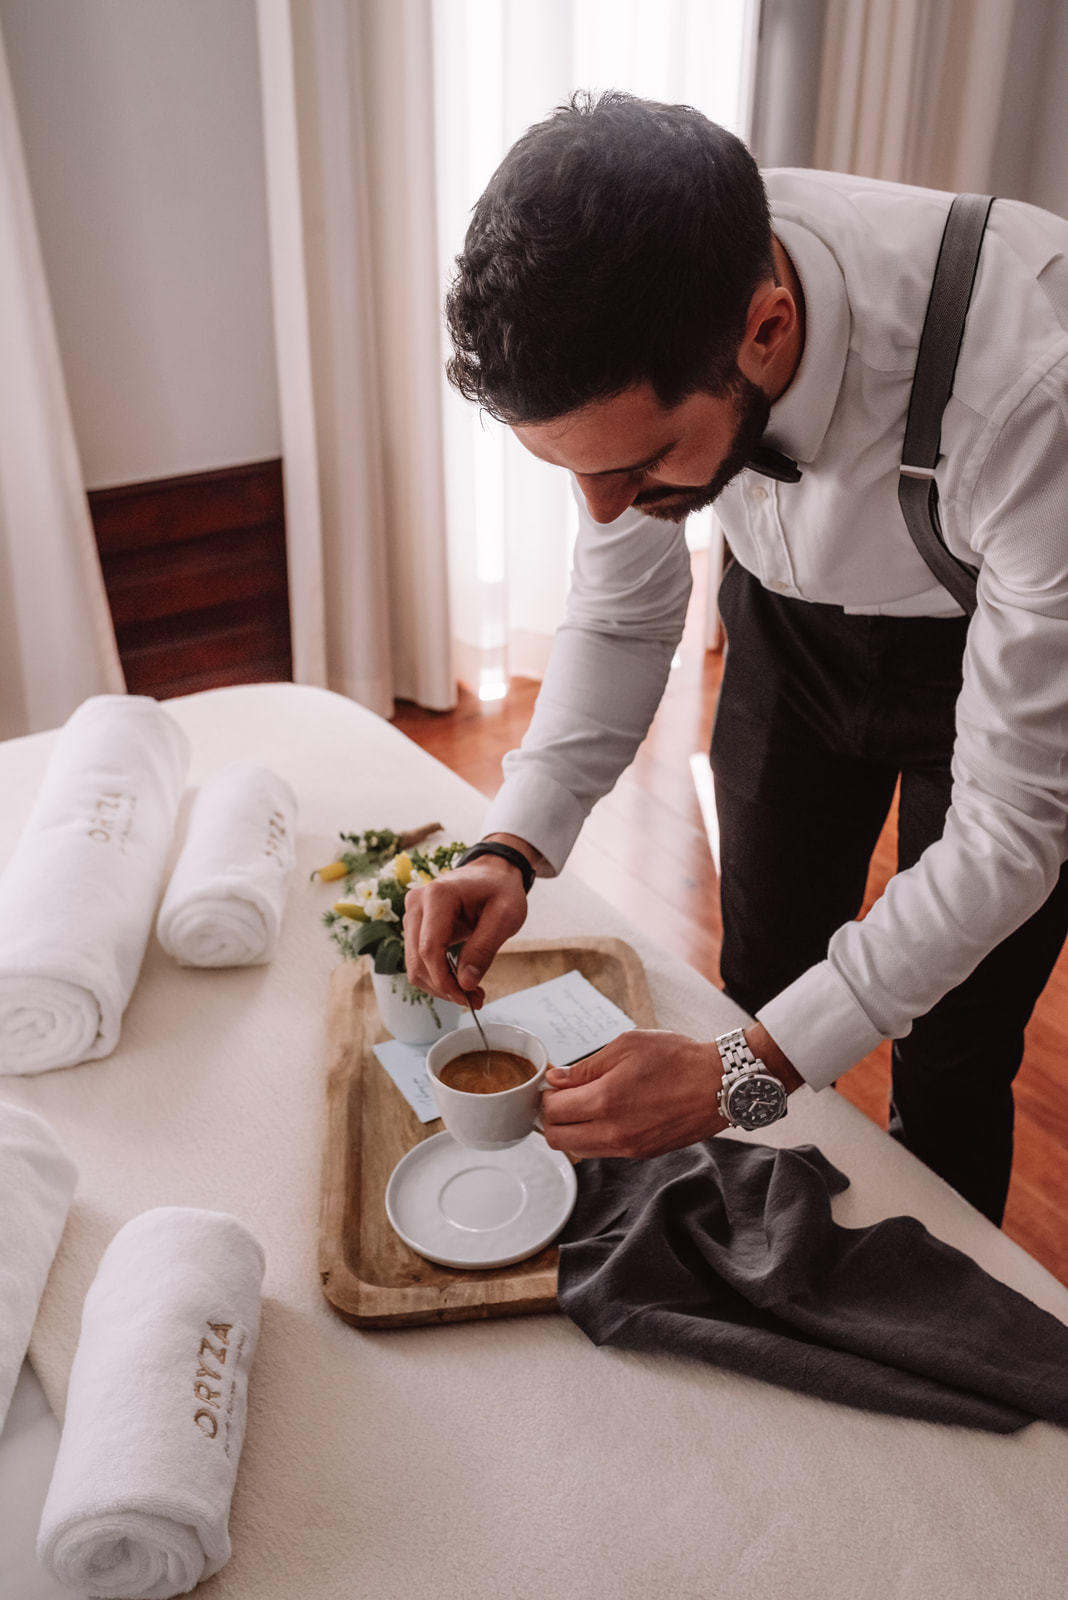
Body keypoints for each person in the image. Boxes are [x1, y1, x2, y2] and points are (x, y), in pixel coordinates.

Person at [403, 91, 1068, 1224]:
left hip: (1002, 649)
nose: (603, 509)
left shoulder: (1033, 383)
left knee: (954, 1044)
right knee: (762, 977)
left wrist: (738, 1077)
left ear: (766, 330)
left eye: (639, 467)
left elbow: (1010, 835)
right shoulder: (644, 304)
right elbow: (622, 614)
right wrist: (513, 843)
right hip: (789, 638)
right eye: (575, 471)